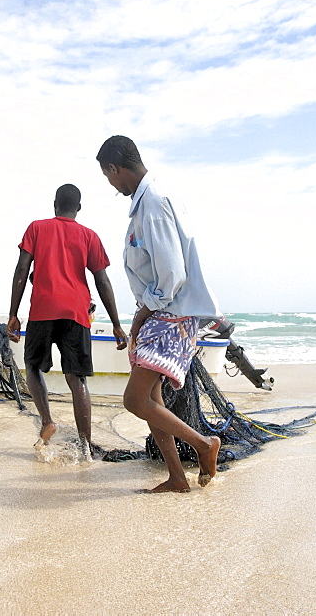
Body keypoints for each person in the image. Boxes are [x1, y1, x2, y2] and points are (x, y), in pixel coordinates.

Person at [96, 135, 222, 493]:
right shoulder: (147, 201)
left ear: (115, 168)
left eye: (108, 177)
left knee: (134, 400)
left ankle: (203, 444)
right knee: (153, 401)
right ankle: (178, 477)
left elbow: (172, 275)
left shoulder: (153, 203)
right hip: (164, 311)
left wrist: (140, 316)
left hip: (170, 313)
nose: (111, 184)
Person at [7, 184, 128, 453]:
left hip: (42, 309)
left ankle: (48, 421)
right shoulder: (89, 236)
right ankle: (85, 445)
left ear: (54, 204)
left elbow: (21, 270)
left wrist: (13, 314)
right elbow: (102, 280)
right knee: (77, 379)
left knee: (33, 366)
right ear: (79, 208)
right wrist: (117, 325)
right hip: (76, 312)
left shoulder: (36, 228)